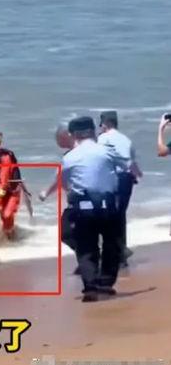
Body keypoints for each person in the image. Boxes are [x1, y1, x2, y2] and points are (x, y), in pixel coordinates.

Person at [61, 116, 123, 302]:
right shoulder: (107, 152)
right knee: (112, 244)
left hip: (83, 207)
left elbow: (65, 184)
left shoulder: (69, 158)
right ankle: (106, 283)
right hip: (108, 205)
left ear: (73, 135)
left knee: (86, 247)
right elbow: (124, 170)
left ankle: (90, 286)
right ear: (93, 131)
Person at [98, 110, 143, 267]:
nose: (101, 127)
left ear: (107, 123)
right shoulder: (126, 140)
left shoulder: (102, 139)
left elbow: (100, 161)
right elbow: (131, 163)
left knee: (108, 216)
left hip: (112, 179)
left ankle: (117, 251)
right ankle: (121, 254)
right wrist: (137, 175)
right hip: (126, 180)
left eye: (101, 124)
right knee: (120, 215)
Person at [39, 123, 78, 263]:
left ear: (67, 136)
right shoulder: (76, 153)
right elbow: (61, 179)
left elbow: (60, 178)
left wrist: (46, 192)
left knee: (66, 233)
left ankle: (91, 258)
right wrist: (47, 192)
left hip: (80, 201)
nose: (57, 142)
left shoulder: (73, 155)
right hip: (86, 200)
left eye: (58, 138)